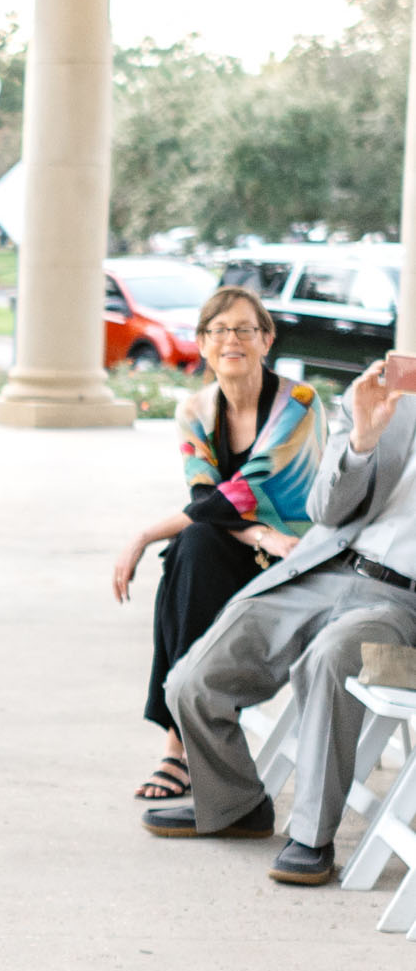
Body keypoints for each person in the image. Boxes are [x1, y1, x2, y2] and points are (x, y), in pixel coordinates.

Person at [148, 358, 416, 884]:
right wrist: (362, 440)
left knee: (333, 654)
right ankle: (236, 806)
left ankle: (311, 838)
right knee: (191, 682)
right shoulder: (389, 405)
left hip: (397, 604)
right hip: (318, 570)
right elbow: (326, 509)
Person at [113, 288, 319, 801]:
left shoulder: (298, 405)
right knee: (193, 552)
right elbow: (205, 497)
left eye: (245, 329)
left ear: (266, 340)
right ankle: (183, 740)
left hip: (298, 558)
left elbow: (236, 494)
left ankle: (178, 746)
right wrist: (258, 534)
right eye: (219, 330)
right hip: (248, 546)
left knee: (190, 551)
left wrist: (146, 533)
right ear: (202, 344)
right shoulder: (195, 410)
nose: (233, 339)